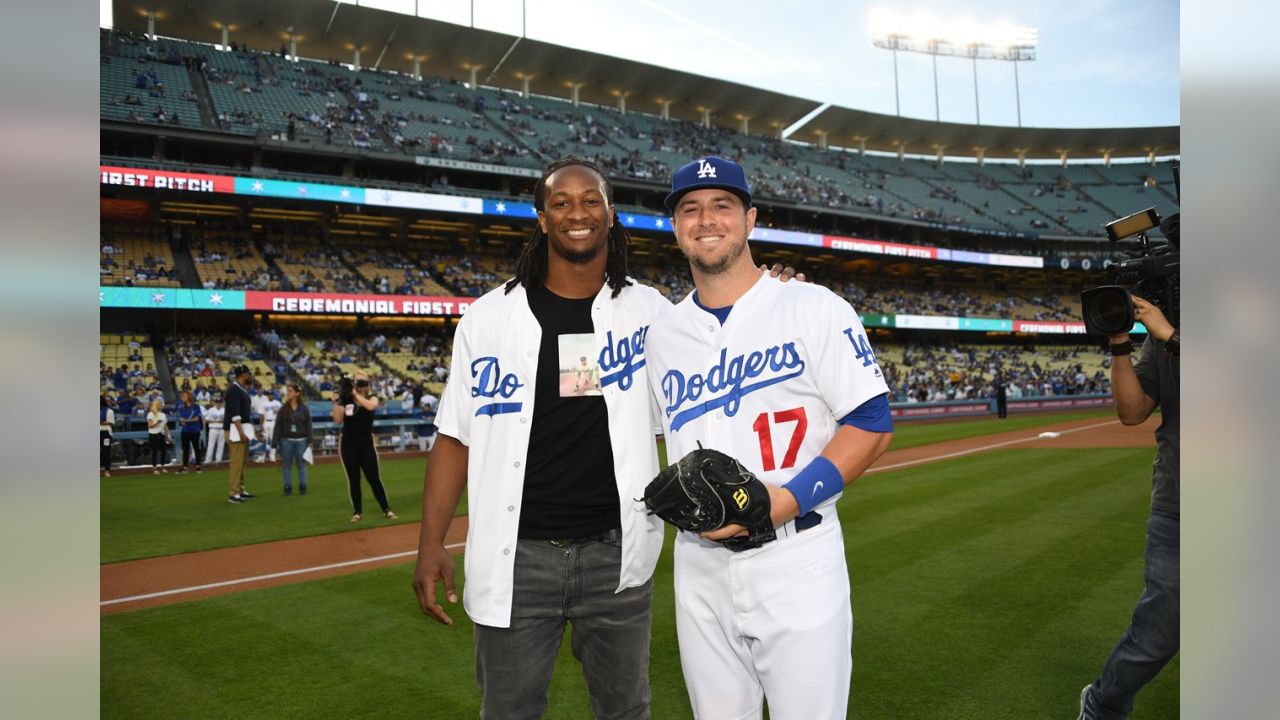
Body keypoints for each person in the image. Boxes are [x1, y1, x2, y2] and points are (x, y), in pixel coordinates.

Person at [411, 156, 672, 720]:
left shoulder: (651, 312)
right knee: (509, 713)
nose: (577, 212)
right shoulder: (487, 319)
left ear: (611, 213)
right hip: (517, 557)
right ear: (540, 218)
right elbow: (455, 438)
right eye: (561, 202)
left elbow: (719, 342)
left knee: (627, 711)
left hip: (617, 554)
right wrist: (430, 542)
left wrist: (770, 291)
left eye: (591, 200)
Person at [645, 156, 893, 719]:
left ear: (750, 218)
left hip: (797, 556)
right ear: (676, 227)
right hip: (698, 564)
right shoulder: (662, 334)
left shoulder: (813, 306)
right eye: (691, 209)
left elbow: (872, 425)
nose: (707, 220)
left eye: (722, 206)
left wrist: (780, 503)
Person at [1078, 295, 1179, 720]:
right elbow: (1132, 411)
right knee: (1158, 632)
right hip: (1180, 505)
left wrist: (1173, 338)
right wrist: (1120, 342)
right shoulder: (1161, 338)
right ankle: (1102, 705)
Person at [332, 371, 395, 522]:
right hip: (348, 444)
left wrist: (354, 393)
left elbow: (371, 406)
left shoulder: (372, 396)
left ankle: (386, 509)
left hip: (366, 444)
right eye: (358, 382)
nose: (361, 385)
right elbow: (337, 420)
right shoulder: (346, 399)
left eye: (364, 382)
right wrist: (335, 402)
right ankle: (357, 512)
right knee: (354, 479)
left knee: (374, 478)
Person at [225, 365, 261, 504]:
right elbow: (235, 414)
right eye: (248, 373)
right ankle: (233, 493)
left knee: (242, 463)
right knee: (236, 463)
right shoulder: (234, 389)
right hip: (235, 430)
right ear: (242, 375)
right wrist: (240, 432)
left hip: (242, 429)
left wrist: (255, 431)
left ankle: (240, 490)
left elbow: (246, 414)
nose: (250, 376)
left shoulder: (241, 389)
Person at [272, 382, 313, 496]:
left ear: (297, 393)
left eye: (290, 391)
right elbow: (278, 425)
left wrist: (310, 441)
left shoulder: (304, 409)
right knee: (286, 465)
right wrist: (274, 442)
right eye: (288, 391)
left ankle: (303, 486)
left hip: (302, 440)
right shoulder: (283, 409)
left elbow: (308, 425)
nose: (288, 393)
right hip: (286, 441)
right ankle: (287, 487)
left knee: (301, 464)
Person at [176, 391, 204, 473]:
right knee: (185, 449)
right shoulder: (181, 407)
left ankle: (198, 466)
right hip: (185, 430)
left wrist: (186, 421)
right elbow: (180, 418)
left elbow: (197, 419)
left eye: (184, 395)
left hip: (195, 430)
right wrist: (181, 421)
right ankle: (185, 467)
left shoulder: (196, 407)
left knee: (196, 448)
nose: (182, 397)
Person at [146, 398, 170, 474]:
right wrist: (157, 422)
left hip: (161, 434)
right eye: (159, 404)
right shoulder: (150, 414)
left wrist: (168, 435)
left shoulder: (163, 415)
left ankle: (163, 466)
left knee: (163, 450)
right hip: (153, 435)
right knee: (154, 451)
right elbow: (150, 425)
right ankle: (155, 467)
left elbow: (165, 426)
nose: (160, 406)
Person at [204, 396, 226, 464]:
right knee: (211, 445)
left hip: (222, 429)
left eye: (219, 402)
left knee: (221, 445)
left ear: (222, 403)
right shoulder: (211, 410)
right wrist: (216, 421)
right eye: (217, 402)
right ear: (214, 403)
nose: (218, 404)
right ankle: (207, 461)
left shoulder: (224, 410)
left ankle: (218, 460)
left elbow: (226, 420)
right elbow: (206, 420)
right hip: (213, 429)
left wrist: (220, 421)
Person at [261, 390, 283, 462]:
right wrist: (261, 425)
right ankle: (263, 456)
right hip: (266, 422)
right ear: (267, 396)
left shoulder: (278, 403)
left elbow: (282, 415)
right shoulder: (264, 403)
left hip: (274, 422)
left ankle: (272, 456)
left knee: (274, 440)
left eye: (271, 394)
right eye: (269, 395)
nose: (270, 396)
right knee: (265, 439)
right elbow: (261, 415)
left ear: (274, 395)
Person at [100, 395, 115, 477]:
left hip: (106, 432)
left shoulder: (109, 411)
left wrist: (101, 422)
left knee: (106, 451)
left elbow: (110, 422)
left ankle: (107, 470)